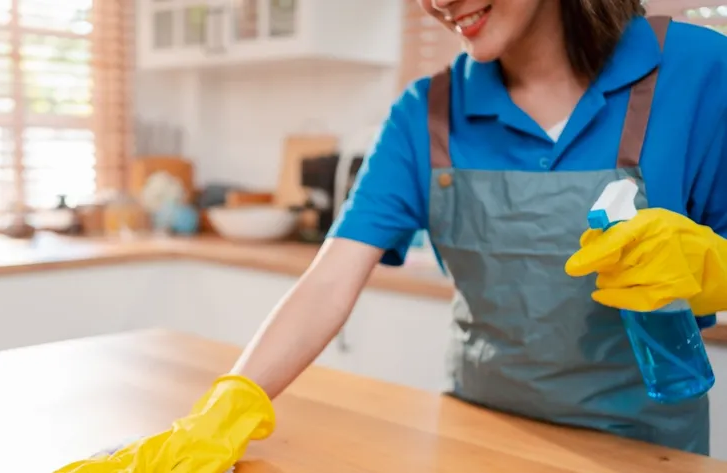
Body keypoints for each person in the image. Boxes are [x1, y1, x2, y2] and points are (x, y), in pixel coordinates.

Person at [55, 1, 727, 471]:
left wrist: (714, 267)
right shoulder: (427, 113)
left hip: (648, 450)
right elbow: (328, 278)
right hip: (475, 435)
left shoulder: (703, 73)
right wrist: (223, 408)